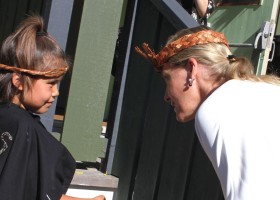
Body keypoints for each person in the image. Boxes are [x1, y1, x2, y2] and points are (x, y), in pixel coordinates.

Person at [135, 26, 280, 200]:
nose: (166, 96)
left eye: (167, 77)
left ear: (191, 68)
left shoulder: (216, 108)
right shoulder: (265, 91)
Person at [0, 15, 105, 200]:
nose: (56, 92)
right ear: (19, 81)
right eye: (51, 83)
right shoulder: (25, 130)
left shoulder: (9, 118)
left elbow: (33, 190)